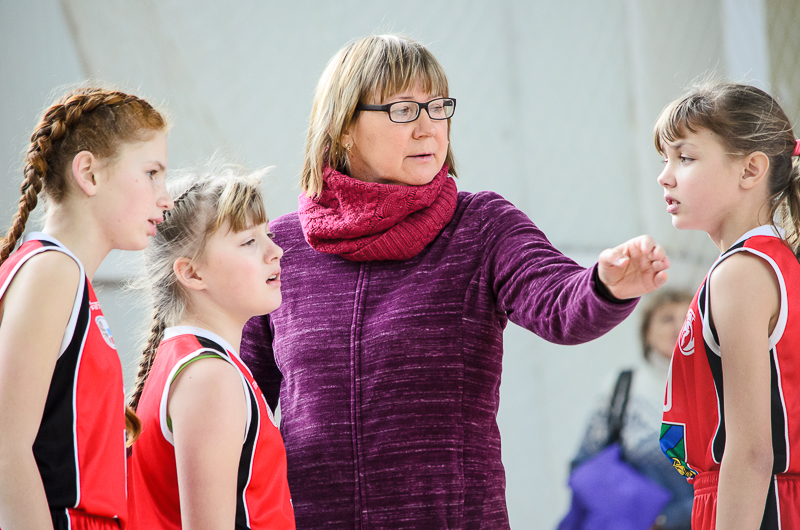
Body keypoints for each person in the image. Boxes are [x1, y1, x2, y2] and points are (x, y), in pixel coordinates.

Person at [240, 34, 670, 529]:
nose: (428, 128)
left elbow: (560, 304)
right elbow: (241, 401)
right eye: (403, 110)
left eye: (438, 107)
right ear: (342, 129)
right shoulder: (279, 247)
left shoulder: (482, 225)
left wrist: (606, 285)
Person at [0, 86, 171, 530]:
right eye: (151, 173)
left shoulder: (62, 275)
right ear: (89, 173)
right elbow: (6, 448)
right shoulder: (51, 271)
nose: (166, 197)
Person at [656, 81, 800, 529]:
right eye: (664, 159)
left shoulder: (740, 273)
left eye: (685, 157)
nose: (665, 176)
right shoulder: (773, 262)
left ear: (750, 169)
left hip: (760, 506)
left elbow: (752, 453)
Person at [126, 167, 295, 530]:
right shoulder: (210, 377)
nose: (276, 251)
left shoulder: (190, 362)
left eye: (267, 235)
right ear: (191, 273)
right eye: (248, 242)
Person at [570, 289, 695, 529]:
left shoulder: (719, 389)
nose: (678, 327)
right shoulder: (622, 386)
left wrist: (669, 520)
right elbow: (584, 464)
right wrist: (635, 512)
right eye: (667, 319)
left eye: (687, 318)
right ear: (647, 333)